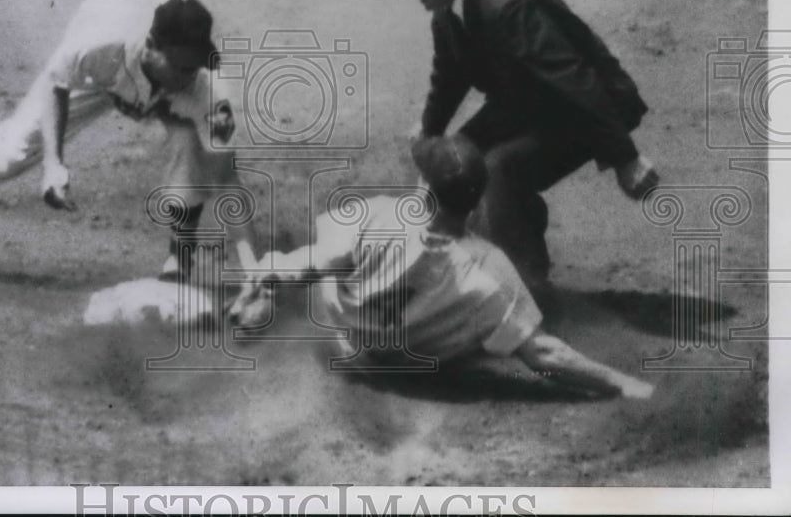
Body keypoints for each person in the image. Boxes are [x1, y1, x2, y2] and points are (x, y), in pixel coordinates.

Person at [0, 0, 256, 278]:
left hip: (154, 25)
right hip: (107, 38)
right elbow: (58, 84)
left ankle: (180, 259)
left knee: (192, 142)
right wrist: (53, 163)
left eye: (195, 65)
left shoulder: (206, 86)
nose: (191, 74)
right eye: (182, 65)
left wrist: (253, 266)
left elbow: (226, 174)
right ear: (152, 48)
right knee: (12, 152)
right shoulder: (100, 44)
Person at [229, 135, 654, 400]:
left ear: (425, 190)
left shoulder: (373, 215)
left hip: (347, 349)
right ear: (474, 202)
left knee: (324, 263)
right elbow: (545, 354)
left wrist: (266, 279)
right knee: (494, 320)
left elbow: (307, 267)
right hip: (414, 367)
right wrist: (621, 382)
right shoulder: (492, 270)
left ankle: (265, 312)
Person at [381, 0, 659, 286]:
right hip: (530, 104)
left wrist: (626, 159)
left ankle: (529, 288)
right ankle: (509, 232)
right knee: (455, 162)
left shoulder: (508, 7)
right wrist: (429, 133)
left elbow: (575, 80)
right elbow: (449, 76)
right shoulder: (448, 12)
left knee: (499, 170)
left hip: (587, 109)